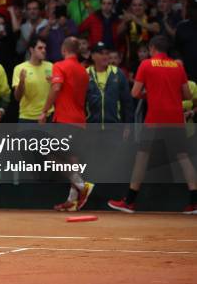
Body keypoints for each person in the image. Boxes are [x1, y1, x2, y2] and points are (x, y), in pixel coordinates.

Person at [108, 35, 196, 214]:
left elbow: (134, 93)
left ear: (152, 49)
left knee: (142, 158)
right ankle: (195, 203)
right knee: (183, 158)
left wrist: (150, 94)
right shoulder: (177, 66)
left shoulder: (146, 64)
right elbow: (187, 95)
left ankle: (129, 201)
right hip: (175, 118)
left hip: (155, 119)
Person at [39, 37, 94, 212]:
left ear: (64, 50)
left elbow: (56, 88)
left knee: (48, 153)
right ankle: (72, 201)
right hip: (79, 122)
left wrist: (44, 111)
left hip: (64, 120)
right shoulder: (83, 71)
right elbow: (69, 88)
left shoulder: (60, 65)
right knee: (72, 161)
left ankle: (82, 185)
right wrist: (54, 80)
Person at [86, 42, 133, 125]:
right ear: (93, 56)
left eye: (107, 54)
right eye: (101, 53)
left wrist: (128, 125)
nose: (105, 57)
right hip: (91, 127)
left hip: (114, 126)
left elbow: (127, 102)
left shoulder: (118, 73)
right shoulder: (85, 74)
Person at [12, 37, 54, 123]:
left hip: (48, 115)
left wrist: (53, 82)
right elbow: (17, 97)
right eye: (40, 48)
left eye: (44, 48)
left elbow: (56, 91)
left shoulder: (51, 66)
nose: (43, 50)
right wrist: (21, 82)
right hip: (27, 117)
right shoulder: (20, 68)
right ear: (31, 50)